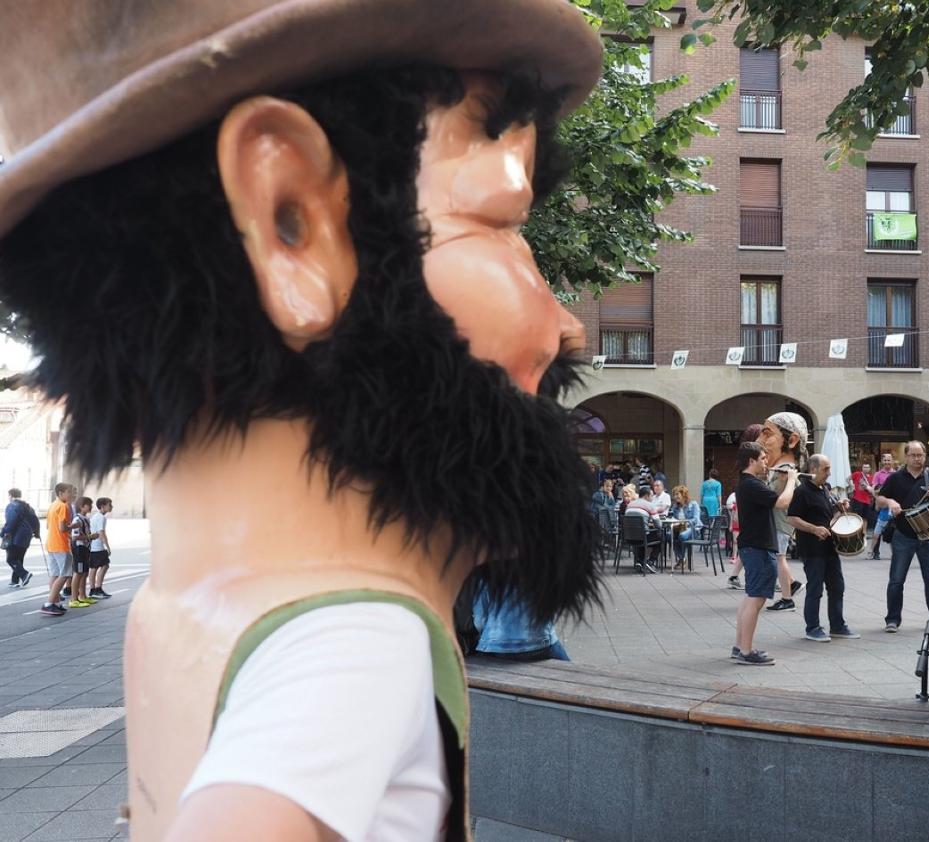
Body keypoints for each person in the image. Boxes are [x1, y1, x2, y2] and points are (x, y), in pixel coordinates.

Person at [0, 3, 605, 837]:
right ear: (291, 224)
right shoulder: (355, 641)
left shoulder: (178, 610)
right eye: (504, 227)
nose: (567, 326)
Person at [876, 441, 929, 635]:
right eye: (913, 455)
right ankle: (892, 619)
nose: (917, 459)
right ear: (906, 456)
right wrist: (891, 501)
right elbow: (879, 500)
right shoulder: (895, 478)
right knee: (896, 580)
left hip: (928, 536)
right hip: (903, 535)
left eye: (920, 455)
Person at [732, 441, 797, 665]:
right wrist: (791, 481)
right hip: (759, 547)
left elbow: (770, 499)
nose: (766, 462)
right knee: (756, 599)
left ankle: (740, 646)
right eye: (762, 458)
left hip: (754, 546)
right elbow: (782, 502)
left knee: (750, 597)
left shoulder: (748, 483)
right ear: (751, 461)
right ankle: (747, 652)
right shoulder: (750, 484)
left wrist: (781, 481)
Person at [786, 454, 857, 641]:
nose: (829, 473)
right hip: (811, 548)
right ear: (813, 470)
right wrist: (814, 529)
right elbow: (792, 518)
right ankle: (812, 628)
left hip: (830, 546)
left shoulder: (825, 488)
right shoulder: (802, 492)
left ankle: (837, 626)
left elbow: (825, 511)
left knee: (837, 587)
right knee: (815, 589)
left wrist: (838, 506)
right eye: (825, 469)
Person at [760, 412, 807, 613]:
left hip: (780, 524)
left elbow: (777, 499)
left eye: (767, 434)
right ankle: (792, 585)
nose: (761, 441)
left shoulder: (785, 471)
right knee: (779, 556)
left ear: (792, 440)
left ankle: (787, 599)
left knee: (779, 557)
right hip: (779, 523)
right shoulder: (780, 470)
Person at [472, 585, 569, 662]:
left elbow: (479, 619)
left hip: (495, 646)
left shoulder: (487, 571)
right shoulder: (541, 566)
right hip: (540, 643)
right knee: (571, 674)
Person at [726, 423, 764, 590]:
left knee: (748, 543)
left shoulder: (749, 458)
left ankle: (735, 576)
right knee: (750, 543)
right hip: (750, 510)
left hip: (747, 509)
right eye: (762, 435)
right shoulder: (752, 459)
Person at [40, 483, 73, 617]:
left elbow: (48, 526)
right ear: (61, 493)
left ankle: (56, 603)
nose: (71, 494)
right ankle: (49, 603)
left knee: (54, 574)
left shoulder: (53, 505)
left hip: (51, 544)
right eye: (69, 492)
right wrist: (72, 526)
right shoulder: (63, 506)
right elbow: (62, 528)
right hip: (61, 545)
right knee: (65, 574)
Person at [2, 488, 37, 589]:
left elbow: (11, 522)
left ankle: (24, 574)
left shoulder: (12, 505)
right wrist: (36, 532)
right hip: (27, 536)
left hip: (16, 536)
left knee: (11, 559)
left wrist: (3, 532)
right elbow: (35, 520)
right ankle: (14, 581)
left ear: (10, 495)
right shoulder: (28, 506)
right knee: (19, 558)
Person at [68, 497, 97, 608]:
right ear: (82, 506)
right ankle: (74, 598)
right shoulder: (77, 520)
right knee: (78, 573)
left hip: (85, 548)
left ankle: (83, 596)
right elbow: (75, 537)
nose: (91, 507)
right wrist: (90, 536)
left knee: (84, 573)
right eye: (89, 505)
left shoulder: (84, 518)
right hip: (79, 548)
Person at [626, 486, 662, 574]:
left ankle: (639, 561)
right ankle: (651, 561)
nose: (652, 498)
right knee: (660, 536)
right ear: (646, 496)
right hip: (642, 537)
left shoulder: (630, 504)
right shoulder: (650, 505)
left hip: (628, 537)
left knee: (641, 534)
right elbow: (659, 525)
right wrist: (651, 524)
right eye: (651, 496)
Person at [868, 452, 897, 559]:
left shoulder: (896, 474)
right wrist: (878, 498)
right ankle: (874, 552)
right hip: (880, 506)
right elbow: (873, 489)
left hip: (893, 507)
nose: (887, 462)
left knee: (893, 531)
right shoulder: (878, 474)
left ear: (892, 461)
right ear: (882, 462)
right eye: (885, 460)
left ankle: (895, 553)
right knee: (877, 531)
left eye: (889, 460)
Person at [668, 485, 702, 571]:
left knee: (682, 536)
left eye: (677, 494)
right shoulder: (675, 507)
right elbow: (673, 518)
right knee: (668, 535)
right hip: (680, 527)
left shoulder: (693, 504)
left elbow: (695, 519)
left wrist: (683, 523)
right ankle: (682, 558)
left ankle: (681, 560)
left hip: (692, 528)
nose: (675, 497)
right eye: (674, 495)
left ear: (684, 494)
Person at [88, 497, 113, 600]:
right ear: (103, 506)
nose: (111, 507)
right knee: (104, 566)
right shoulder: (101, 518)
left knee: (95, 568)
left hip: (94, 546)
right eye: (109, 505)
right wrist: (107, 546)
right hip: (98, 546)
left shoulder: (96, 516)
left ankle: (94, 589)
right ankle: (97, 589)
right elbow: (101, 532)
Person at [849, 460, 877, 530]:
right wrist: (852, 485)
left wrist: (867, 487)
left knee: (865, 518)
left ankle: (864, 534)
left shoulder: (872, 477)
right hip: (857, 499)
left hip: (867, 501)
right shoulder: (857, 474)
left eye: (867, 467)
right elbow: (848, 479)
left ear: (870, 469)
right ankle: (857, 533)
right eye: (864, 467)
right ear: (862, 468)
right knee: (856, 517)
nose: (866, 468)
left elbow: (872, 490)